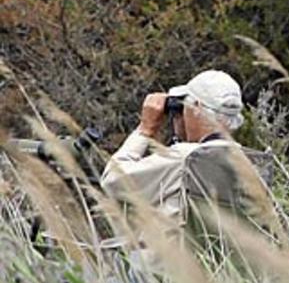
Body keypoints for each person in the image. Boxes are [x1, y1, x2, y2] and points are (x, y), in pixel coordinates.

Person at [101, 70, 275, 246]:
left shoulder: (184, 158)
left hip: (171, 269)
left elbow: (112, 181)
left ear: (196, 108)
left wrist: (145, 129)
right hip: (225, 269)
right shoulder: (253, 163)